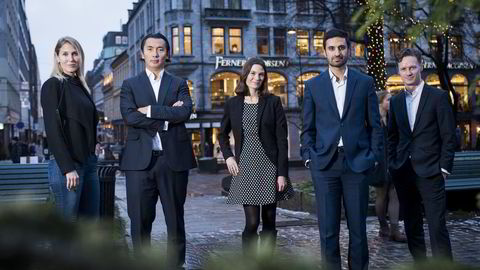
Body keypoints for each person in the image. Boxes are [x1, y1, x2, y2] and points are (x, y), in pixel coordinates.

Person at [301, 28, 383, 270]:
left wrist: (374, 156)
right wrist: (308, 158)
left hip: (356, 164)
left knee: (358, 230)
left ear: (349, 49)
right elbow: (308, 128)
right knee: (328, 231)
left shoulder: (365, 82)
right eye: (332, 48)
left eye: (341, 47)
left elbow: (375, 125)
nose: (337, 52)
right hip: (324, 166)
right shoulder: (313, 86)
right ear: (324, 51)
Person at [120, 32, 196, 269]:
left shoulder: (179, 83)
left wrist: (151, 110)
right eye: (150, 48)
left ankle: (175, 265)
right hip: (139, 164)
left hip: (173, 160)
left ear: (167, 54)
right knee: (139, 220)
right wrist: (166, 118)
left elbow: (184, 112)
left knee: (175, 218)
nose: (155, 53)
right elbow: (129, 116)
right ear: (142, 54)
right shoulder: (129, 85)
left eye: (160, 49)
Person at [218, 57, 294, 254]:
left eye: (261, 74)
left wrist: (282, 173)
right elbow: (222, 135)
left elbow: (281, 140)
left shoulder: (273, 102)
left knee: (269, 221)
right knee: (252, 223)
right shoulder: (233, 104)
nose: (257, 78)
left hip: (269, 167)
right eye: (253, 73)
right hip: (246, 167)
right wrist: (228, 156)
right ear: (245, 75)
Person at [388, 48, 455, 261]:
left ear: (421, 67)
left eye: (412, 67)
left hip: (432, 171)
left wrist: (444, 167)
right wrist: (393, 163)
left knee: (437, 227)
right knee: (412, 226)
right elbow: (391, 137)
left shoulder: (438, 97)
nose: (408, 72)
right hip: (404, 172)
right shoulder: (396, 101)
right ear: (399, 71)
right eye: (404, 69)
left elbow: (448, 135)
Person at [40, 36, 100, 222]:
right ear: (57, 57)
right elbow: (53, 129)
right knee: (68, 229)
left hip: (88, 163)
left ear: (80, 57)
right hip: (67, 166)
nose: (71, 58)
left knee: (89, 226)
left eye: (75, 53)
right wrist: (67, 168)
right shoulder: (53, 85)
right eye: (65, 54)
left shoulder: (81, 86)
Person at [370, 91, 406, 242]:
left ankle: (395, 230)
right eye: (388, 100)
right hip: (379, 163)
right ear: (380, 102)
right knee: (381, 195)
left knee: (395, 194)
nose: (391, 102)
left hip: (393, 161)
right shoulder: (373, 119)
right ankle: (383, 227)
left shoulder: (392, 118)